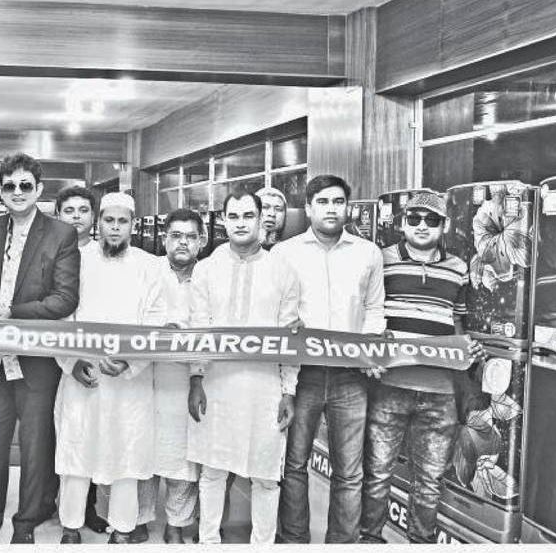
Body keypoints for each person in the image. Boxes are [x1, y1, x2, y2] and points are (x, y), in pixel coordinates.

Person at [0, 154, 80, 544]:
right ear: (0, 191)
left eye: (25, 185)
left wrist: (14, 312)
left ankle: (25, 523)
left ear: (39, 189)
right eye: (9, 186)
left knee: (34, 448)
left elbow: (65, 299)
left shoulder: (61, 234)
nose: (17, 192)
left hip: (35, 361)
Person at [273, 175, 385, 544]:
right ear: (308, 208)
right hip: (301, 374)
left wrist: (370, 348)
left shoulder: (368, 253)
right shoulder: (285, 253)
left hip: (350, 376)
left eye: (338, 201)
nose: (331, 209)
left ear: (348, 206)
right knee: (294, 464)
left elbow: (374, 308)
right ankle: (294, 541)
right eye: (322, 202)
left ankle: (342, 543)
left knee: (349, 472)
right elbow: (275, 312)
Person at [187, 191, 301, 544]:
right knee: (213, 470)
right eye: (233, 216)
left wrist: (288, 391)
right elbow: (198, 328)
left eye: (248, 216)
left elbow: (290, 335)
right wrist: (196, 379)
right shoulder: (206, 269)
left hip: (265, 387)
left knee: (266, 476)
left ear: (260, 218)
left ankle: (262, 545)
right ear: (223, 220)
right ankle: (208, 543)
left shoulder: (282, 270)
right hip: (217, 384)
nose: (240, 223)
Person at [360, 192, 472, 543]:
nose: (422, 226)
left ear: (444, 226)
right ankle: (370, 540)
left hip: (440, 392)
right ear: (402, 223)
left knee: (429, 481)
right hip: (389, 386)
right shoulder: (381, 260)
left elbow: (458, 324)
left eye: (432, 220)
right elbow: (365, 312)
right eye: (414, 219)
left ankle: (420, 544)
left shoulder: (459, 268)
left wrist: (467, 350)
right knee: (377, 474)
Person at [54, 192, 164, 544]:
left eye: (122, 221)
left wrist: (130, 362)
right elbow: (62, 316)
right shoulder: (76, 261)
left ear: (133, 225)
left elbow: (156, 323)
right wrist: (72, 362)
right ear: (98, 223)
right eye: (109, 220)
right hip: (82, 377)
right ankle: (70, 526)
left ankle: (123, 529)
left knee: (126, 456)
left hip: (129, 384)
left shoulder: (150, 266)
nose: (115, 228)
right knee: (75, 454)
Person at [147, 208, 205, 544]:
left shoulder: (208, 276)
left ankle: (176, 522)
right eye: (176, 235)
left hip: (189, 376)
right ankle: (138, 518)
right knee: (144, 447)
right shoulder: (148, 271)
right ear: (164, 238)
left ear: (202, 241)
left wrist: (198, 375)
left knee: (183, 454)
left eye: (190, 236)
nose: (183, 242)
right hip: (146, 374)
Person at [53, 185, 109, 534]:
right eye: (69, 210)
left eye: (83, 210)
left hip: (103, 364)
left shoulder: (107, 258)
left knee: (96, 440)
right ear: (57, 215)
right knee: (68, 441)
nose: (76, 217)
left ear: (94, 217)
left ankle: (89, 510)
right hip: (61, 362)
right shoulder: (52, 255)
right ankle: (65, 514)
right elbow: (55, 317)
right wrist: (69, 362)